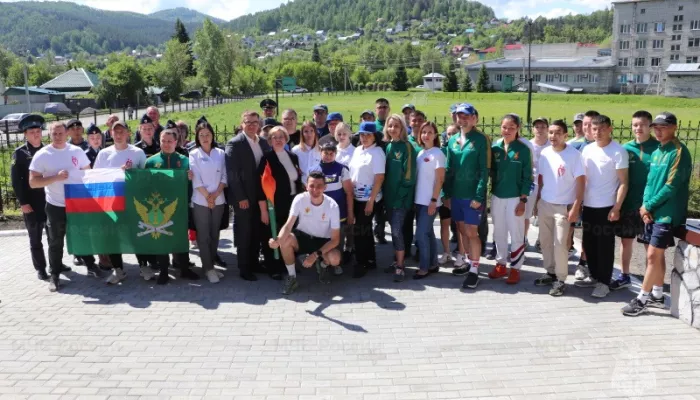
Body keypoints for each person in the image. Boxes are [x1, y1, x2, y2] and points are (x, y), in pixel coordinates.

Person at [622, 112, 692, 316]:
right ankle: (658, 295)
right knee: (656, 255)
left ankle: (642, 299)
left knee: (652, 254)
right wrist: (645, 207)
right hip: (651, 212)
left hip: (666, 214)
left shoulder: (679, 152)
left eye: (664, 127)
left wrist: (649, 206)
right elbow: (650, 183)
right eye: (656, 127)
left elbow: (671, 186)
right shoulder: (657, 152)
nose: (659, 131)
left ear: (674, 128)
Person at [28, 122, 97, 292]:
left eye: (61, 133)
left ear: (67, 134)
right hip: (56, 205)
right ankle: (55, 275)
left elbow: (88, 173)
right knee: (55, 241)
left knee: (83, 235)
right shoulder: (42, 155)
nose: (58, 137)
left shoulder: (77, 151)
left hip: (78, 203)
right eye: (54, 134)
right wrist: (55, 178)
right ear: (49, 135)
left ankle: (91, 265)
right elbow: (33, 182)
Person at [576, 114, 629, 298]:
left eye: (601, 129)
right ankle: (594, 276)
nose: (597, 132)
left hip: (607, 207)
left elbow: (624, 182)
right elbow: (582, 178)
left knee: (604, 246)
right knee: (589, 244)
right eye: (594, 129)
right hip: (588, 205)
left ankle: (604, 283)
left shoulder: (618, 151)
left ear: (609, 129)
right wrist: (578, 202)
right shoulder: (587, 150)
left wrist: (617, 207)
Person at [92, 120, 148, 284]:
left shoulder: (137, 152)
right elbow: (96, 177)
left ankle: (143, 267)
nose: (118, 135)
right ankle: (118, 270)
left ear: (128, 133)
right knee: (112, 237)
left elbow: (146, 177)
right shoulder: (104, 154)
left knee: (136, 234)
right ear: (111, 133)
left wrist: (133, 172)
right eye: (115, 132)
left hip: (133, 201)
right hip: (110, 202)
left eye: (122, 131)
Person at [533, 120, 585, 296]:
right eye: (551, 132)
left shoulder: (574, 155)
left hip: (564, 207)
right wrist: (537, 201)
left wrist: (576, 207)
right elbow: (541, 179)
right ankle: (550, 272)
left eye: (557, 133)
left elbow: (581, 183)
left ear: (565, 135)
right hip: (545, 204)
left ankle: (561, 279)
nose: (553, 136)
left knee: (561, 244)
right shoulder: (545, 153)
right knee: (545, 242)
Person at [269, 171, 342, 295]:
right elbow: (288, 225)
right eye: (311, 186)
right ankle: (292, 277)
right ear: (306, 186)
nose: (315, 189)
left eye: (319, 186)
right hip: (302, 237)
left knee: (335, 259)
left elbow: (335, 240)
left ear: (325, 187)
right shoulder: (300, 199)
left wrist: (315, 255)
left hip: (323, 241)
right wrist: (277, 240)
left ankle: (323, 266)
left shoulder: (332, 206)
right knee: (285, 240)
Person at [610, 111, 660, 291]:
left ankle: (650, 283)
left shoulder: (658, 148)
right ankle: (624, 276)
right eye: (635, 125)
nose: (638, 128)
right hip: (629, 203)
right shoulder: (625, 149)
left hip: (649, 206)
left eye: (643, 124)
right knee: (626, 241)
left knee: (650, 246)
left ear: (650, 126)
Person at [145, 128, 200, 284]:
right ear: (159, 141)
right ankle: (164, 271)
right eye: (164, 141)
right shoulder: (151, 161)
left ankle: (184, 268)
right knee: (161, 238)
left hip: (180, 206)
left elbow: (192, 184)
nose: (167, 144)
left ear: (176, 142)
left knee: (180, 237)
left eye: (170, 141)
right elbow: (145, 184)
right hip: (159, 207)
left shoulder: (185, 161)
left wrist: (190, 178)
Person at [445, 104, 490, 289]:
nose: (462, 119)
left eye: (466, 116)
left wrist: (479, 196)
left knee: (472, 232)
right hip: (457, 195)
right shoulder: (452, 140)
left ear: (474, 118)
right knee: (462, 230)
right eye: (459, 116)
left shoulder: (481, 139)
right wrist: (446, 193)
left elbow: (484, 170)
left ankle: (474, 270)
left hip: (473, 196)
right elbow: (449, 169)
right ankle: (468, 263)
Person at [486, 114, 533, 285]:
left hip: (515, 198)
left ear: (518, 128)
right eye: (504, 127)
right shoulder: (495, 148)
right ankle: (501, 264)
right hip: (497, 196)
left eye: (511, 127)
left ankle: (515, 268)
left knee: (516, 233)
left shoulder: (524, 149)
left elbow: (528, 177)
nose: (507, 130)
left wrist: (523, 200)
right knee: (499, 232)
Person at [226, 111, 271, 281]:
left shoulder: (264, 143)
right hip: (243, 198)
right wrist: (240, 197)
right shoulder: (234, 143)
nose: (252, 125)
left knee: (256, 232)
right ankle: (244, 267)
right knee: (244, 232)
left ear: (259, 124)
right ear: (242, 124)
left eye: (255, 122)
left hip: (260, 196)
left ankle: (254, 263)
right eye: (248, 122)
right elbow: (232, 174)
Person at [11, 114, 57, 281]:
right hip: (31, 203)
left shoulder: (49, 151)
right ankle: (41, 268)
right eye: (32, 132)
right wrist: (23, 202)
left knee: (54, 237)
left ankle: (55, 264)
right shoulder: (20, 154)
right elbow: (16, 182)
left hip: (50, 200)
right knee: (35, 238)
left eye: (38, 131)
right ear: (25, 134)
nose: (36, 134)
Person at [257, 126, 304, 280]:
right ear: (270, 140)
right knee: (273, 234)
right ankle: (273, 267)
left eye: (281, 137)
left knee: (288, 234)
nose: (278, 140)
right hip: (274, 204)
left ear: (286, 139)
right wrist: (264, 210)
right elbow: (260, 186)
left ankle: (287, 263)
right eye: (274, 137)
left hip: (292, 202)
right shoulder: (266, 159)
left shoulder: (293, 157)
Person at [189, 118, 228, 283]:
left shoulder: (220, 153)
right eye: (201, 135)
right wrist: (208, 197)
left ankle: (211, 264)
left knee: (215, 234)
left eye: (208, 134)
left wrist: (215, 195)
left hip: (218, 199)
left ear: (212, 135)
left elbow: (224, 176)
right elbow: (196, 179)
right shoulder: (194, 154)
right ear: (197, 137)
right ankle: (208, 268)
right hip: (200, 200)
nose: (205, 138)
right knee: (203, 235)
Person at [382, 114, 417, 282]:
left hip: (401, 200)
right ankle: (397, 260)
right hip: (388, 198)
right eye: (390, 126)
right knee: (395, 232)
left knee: (396, 231)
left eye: (396, 126)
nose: (392, 129)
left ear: (402, 128)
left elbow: (409, 178)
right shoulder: (389, 146)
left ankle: (401, 266)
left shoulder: (407, 147)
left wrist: (399, 198)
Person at [310, 142, 354, 273]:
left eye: (331, 153)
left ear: (335, 154)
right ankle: (322, 262)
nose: (328, 156)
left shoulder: (342, 169)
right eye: (325, 153)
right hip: (319, 213)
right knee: (321, 240)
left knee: (337, 240)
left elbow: (349, 193)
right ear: (320, 152)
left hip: (339, 213)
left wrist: (350, 213)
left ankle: (336, 264)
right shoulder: (313, 170)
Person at [348, 121, 385, 278]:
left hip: (369, 199)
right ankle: (370, 259)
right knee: (365, 230)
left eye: (368, 135)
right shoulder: (358, 150)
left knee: (360, 230)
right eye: (362, 135)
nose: (364, 138)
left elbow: (379, 177)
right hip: (356, 196)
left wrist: (371, 200)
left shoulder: (377, 152)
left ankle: (361, 262)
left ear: (374, 136)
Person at [413, 121, 445, 279]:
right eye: (423, 132)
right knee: (428, 233)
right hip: (418, 200)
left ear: (435, 135)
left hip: (430, 202)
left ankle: (424, 267)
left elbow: (440, 180)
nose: (426, 135)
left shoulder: (437, 154)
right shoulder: (420, 153)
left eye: (430, 132)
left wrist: (433, 200)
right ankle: (433, 264)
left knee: (420, 235)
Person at [572, 110, 600, 279]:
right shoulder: (575, 147)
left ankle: (588, 263)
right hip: (577, 196)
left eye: (591, 125)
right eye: (585, 124)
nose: (587, 128)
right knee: (573, 230)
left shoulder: (605, 146)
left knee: (593, 233)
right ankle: (579, 263)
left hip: (597, 199)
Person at [133, 114, 160, 270]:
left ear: (154, 129)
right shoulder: (135, 149)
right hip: (143, 193)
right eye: (144, 129)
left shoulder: (160, 146)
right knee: (145, 226)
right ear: (140, 130)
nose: (148, 131)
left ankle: (158, 257)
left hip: (159, 191)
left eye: (150, 128)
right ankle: (148, 260)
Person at [438, 123, 465, 265]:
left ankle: (461, 254)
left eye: (454, 133)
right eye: (448, 133)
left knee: (460, 226)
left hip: (458, 193)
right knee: (444, 224)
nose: (451, 136)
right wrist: (444, 194)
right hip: (444, 194)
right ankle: (446, 252)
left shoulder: (462, 150)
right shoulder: (441, 151)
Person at [527, 117, 551, 250]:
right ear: (532, 129)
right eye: (537, 127)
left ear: (547, 129)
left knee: (544, 215)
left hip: (548, 184)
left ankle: (541, 240)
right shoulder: (528, 145)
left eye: (543, 127)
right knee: (526, 214)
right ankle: (523, 239)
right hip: (531, 183)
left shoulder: (552, 145)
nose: (539, 130)